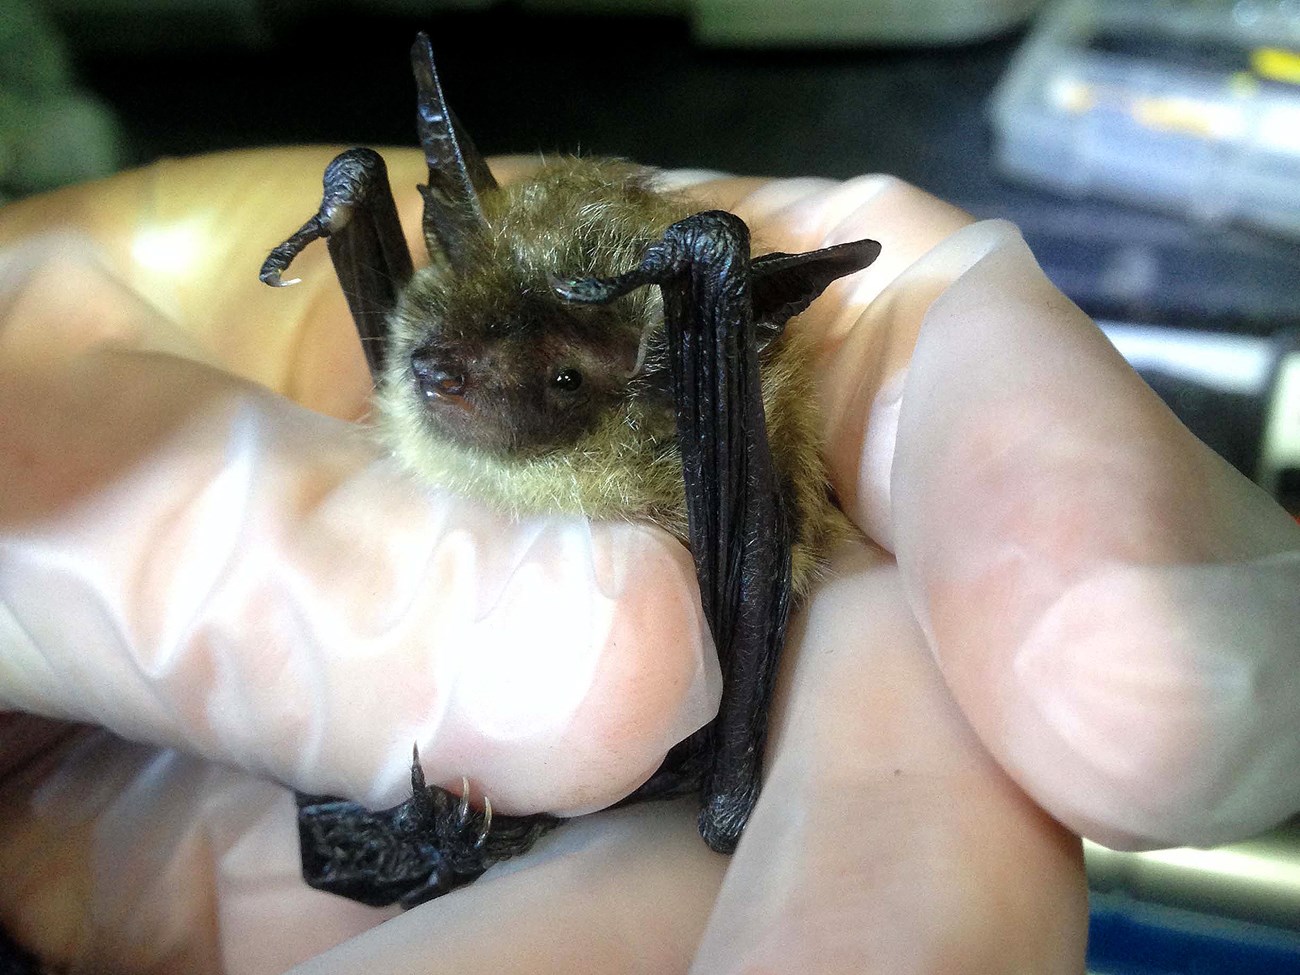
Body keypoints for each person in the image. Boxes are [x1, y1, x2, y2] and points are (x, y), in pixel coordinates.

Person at [0, 148, 1296, 974]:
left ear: (657, 396)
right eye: (464, 341)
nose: (472, 376)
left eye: (558, 373)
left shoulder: (676, 468)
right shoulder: (427, 356)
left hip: (642, 757)